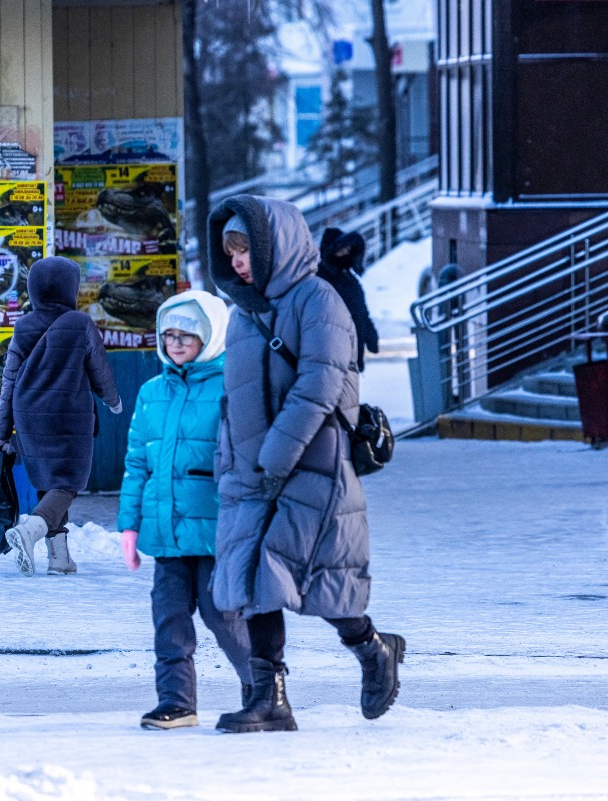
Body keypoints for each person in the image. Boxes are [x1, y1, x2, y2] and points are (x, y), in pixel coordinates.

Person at [206, 197, 405, 733]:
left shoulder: (319, 301)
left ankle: (372, 648)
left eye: (246, 248)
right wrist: (230, 463)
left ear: (275, 246)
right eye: (231, 251)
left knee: (322, 582)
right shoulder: (244, 316)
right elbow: (234, 400)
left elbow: (317, 387)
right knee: (254, 581)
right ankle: (270, 698)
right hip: (252, 475)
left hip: (312, 468)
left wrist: (276, 457)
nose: (238, 261)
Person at [117, 290, 253, 730]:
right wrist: (130, 526)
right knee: (169, 621)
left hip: (217, 533)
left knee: (224, 618)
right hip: (167, 535)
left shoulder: (233, 386)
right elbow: (138, 462)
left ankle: (262, 688)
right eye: (169, 334)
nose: (176, 343)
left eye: (188, 335)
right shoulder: (152, 391)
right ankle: (176, 701)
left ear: (211, 337)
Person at [0, 256, 123, 577]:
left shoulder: (22, 327)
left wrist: (1, 432)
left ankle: (60, 559)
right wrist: (113, 401)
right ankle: (31, 530)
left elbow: (8, 382)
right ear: (71, 288)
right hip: (70, 418)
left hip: (28, 417)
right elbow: (100, 372)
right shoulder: (80, 324)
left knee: (50, 481)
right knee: (68, 482)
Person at [317, 227, 379, 372]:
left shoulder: (350, 279)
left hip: (353, 357)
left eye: (347, 250)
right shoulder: (319, 279)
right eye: (341, 250)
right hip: (330, 358)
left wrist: (370, 334)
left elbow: (361, 312)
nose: (345, 254)